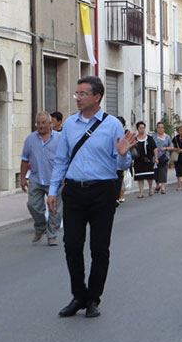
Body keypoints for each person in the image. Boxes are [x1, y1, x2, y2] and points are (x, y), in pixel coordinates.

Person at [48, 76, 137, 318]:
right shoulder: (69, 124)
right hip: (75, 191)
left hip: (103, 191)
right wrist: (53, 191)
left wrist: (122, 154)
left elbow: (123, 162)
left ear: (97, 97)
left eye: (82, 94)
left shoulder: (111, 126)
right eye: (77, 93)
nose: (77, 97)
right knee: (72, 245)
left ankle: (93, 298)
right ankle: (78, 295)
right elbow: (62, 160)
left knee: (99, 248)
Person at [20, 111, 62, 246]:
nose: (40, 126)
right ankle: (40, 226)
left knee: (54, 210)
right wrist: (22, 178)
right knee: (32, 205)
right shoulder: (30, 139)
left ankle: (52, 235)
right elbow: (24, 160)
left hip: (54, 180)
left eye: (43, 123)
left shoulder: (59, 139)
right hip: (36, 178)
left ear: (50, 124)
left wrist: (66, 176)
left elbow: (66, 159)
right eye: (38, 123)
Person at [133, 121, 157, 198]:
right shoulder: (135, 139)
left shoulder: (149, 138)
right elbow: (132, 150)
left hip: (148, 160)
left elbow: (155, 148)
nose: (142, 129)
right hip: (139, 161)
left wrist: (155, 158)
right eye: (140, 128)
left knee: (149, 176)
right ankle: (141, 192)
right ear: (137, 129)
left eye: (143, 128)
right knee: (140, 177)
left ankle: (150, 189)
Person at [153, 121, 173, 194]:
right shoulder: (154, 136)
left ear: (164, 129)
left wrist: (165, 148)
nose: (160, 129)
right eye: (159, 127)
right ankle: (157, 185)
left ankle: (163, 187)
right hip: (156, 156)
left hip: (164, 156)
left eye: (162, 128)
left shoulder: (167, 137)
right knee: (156, 171)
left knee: (163, 171)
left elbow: (172, 147)